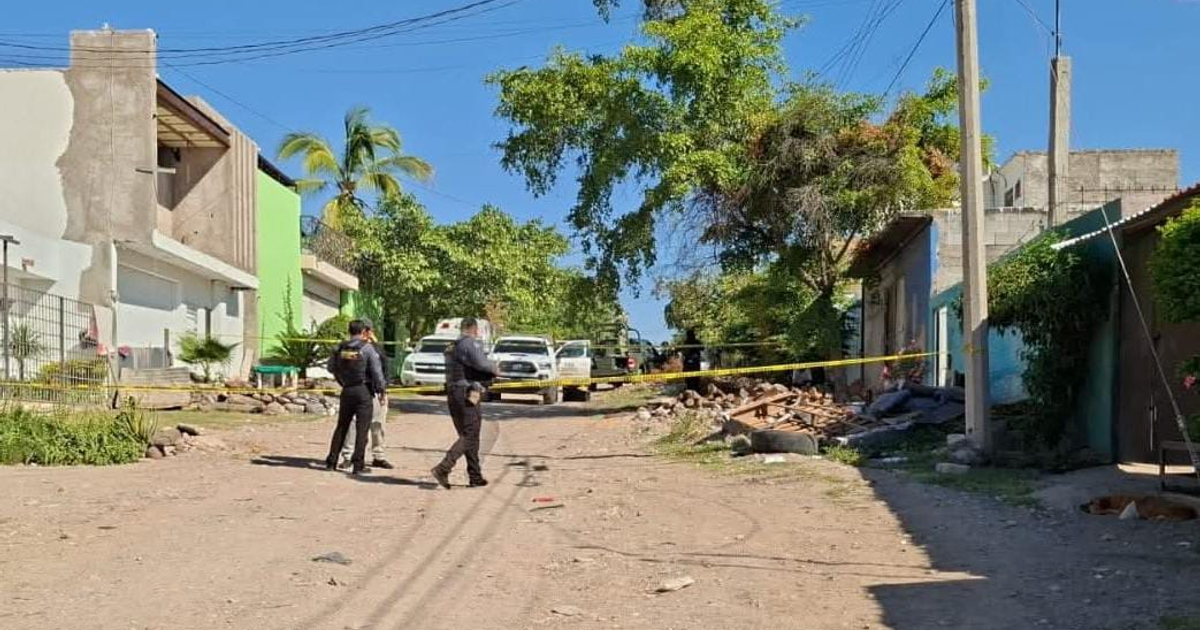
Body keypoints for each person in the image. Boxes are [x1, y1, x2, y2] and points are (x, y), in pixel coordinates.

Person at [430, 318, 497, 489]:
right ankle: (443, 468)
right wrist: (495, 368)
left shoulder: (451, 346)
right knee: (470, 434)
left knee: (469, 436)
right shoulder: (469, 344)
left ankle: (475, 476)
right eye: (477, 330)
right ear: (474, 329)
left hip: (453, 392)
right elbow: (482, 364)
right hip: (466, 392)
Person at [324, 319, 386, 475]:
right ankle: (358, 465)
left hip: (347, 390)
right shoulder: (367, 348)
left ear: (349, 331)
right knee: (362, 429)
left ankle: (331, 461)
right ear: (363, 331)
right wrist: (382, 391)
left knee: (341, 427)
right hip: (363, 390)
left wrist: (342, 379)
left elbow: (331, 367)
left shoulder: (339, 347)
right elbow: (377, 373)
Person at [338, 325, 393, 470]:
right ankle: (348, 457)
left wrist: (383, 390)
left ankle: (378, 456)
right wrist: (343, 382)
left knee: (378, 424)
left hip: (374, 391)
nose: (368, 334)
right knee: (354, 426)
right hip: (363, 390)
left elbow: (383, 367)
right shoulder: (351, 348)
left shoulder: (374, 348)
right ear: (363, 332)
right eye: (366, 331)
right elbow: (342, 367)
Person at [682, 328, 702, 393]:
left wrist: (696, 347)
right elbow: (683, 352)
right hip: (688, 362)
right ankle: (690, 390)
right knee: (688, 377)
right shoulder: (686, 342)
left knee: (696, 377)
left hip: (695, 361)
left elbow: (702, 348)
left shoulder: (696, 342)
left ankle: (696, 390)